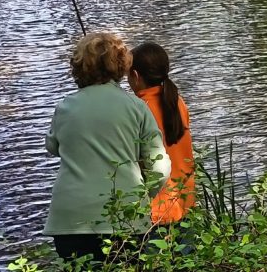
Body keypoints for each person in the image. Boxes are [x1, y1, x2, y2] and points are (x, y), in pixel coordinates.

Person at [44, 32, 171, 262]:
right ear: (121, 66)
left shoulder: (65, 107)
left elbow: (52, 146)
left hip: (69, 220)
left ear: (78, 67)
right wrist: (143, 197)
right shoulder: (137, 107)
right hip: (126, 218)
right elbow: (160, 166)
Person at [129, 42, 195, 224]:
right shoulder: (177, 101)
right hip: (185, 201)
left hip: (157, 211)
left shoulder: (138, 110)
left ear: (135, 75)